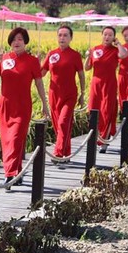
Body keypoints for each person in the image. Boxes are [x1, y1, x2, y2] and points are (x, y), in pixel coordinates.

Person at [0, 27, 50, 185]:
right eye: (14, 39)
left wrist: (44, 104)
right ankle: (17, 171)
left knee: (15, 139)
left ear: (25, 42)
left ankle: (9, 174)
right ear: (10, 42)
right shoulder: (4, 58)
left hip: (22, 106)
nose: (17, 42)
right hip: (5, 105)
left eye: (20, 39)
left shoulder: (32, 61)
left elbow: (39, 84)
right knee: (7, 140)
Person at [41, 26, 86, 159]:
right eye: (60, 35)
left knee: (63, 122)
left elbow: (81, 75)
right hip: (54, 94)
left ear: (71, 38)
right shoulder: (51, 54)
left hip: (69, 95)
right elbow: (41, 73)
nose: (62, 38)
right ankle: (66, 152)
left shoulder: (75, 55)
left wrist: (82, 94)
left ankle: (58, 153)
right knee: (58, 125)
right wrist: (36, 62)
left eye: (65, 35)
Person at [84, 26, 120, 152]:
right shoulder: (95, 49)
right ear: (102, 35)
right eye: (105, 34)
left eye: (110, 35)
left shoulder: (115, 50)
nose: (107, 37)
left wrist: (118, 43)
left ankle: (104, 140)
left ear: (114, 37)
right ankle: (95, 137)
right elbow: (87, 68)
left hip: (109, 84)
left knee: (106, 111)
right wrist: (88, 56)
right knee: (93, 110)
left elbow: (124, 55)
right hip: (96, 83)